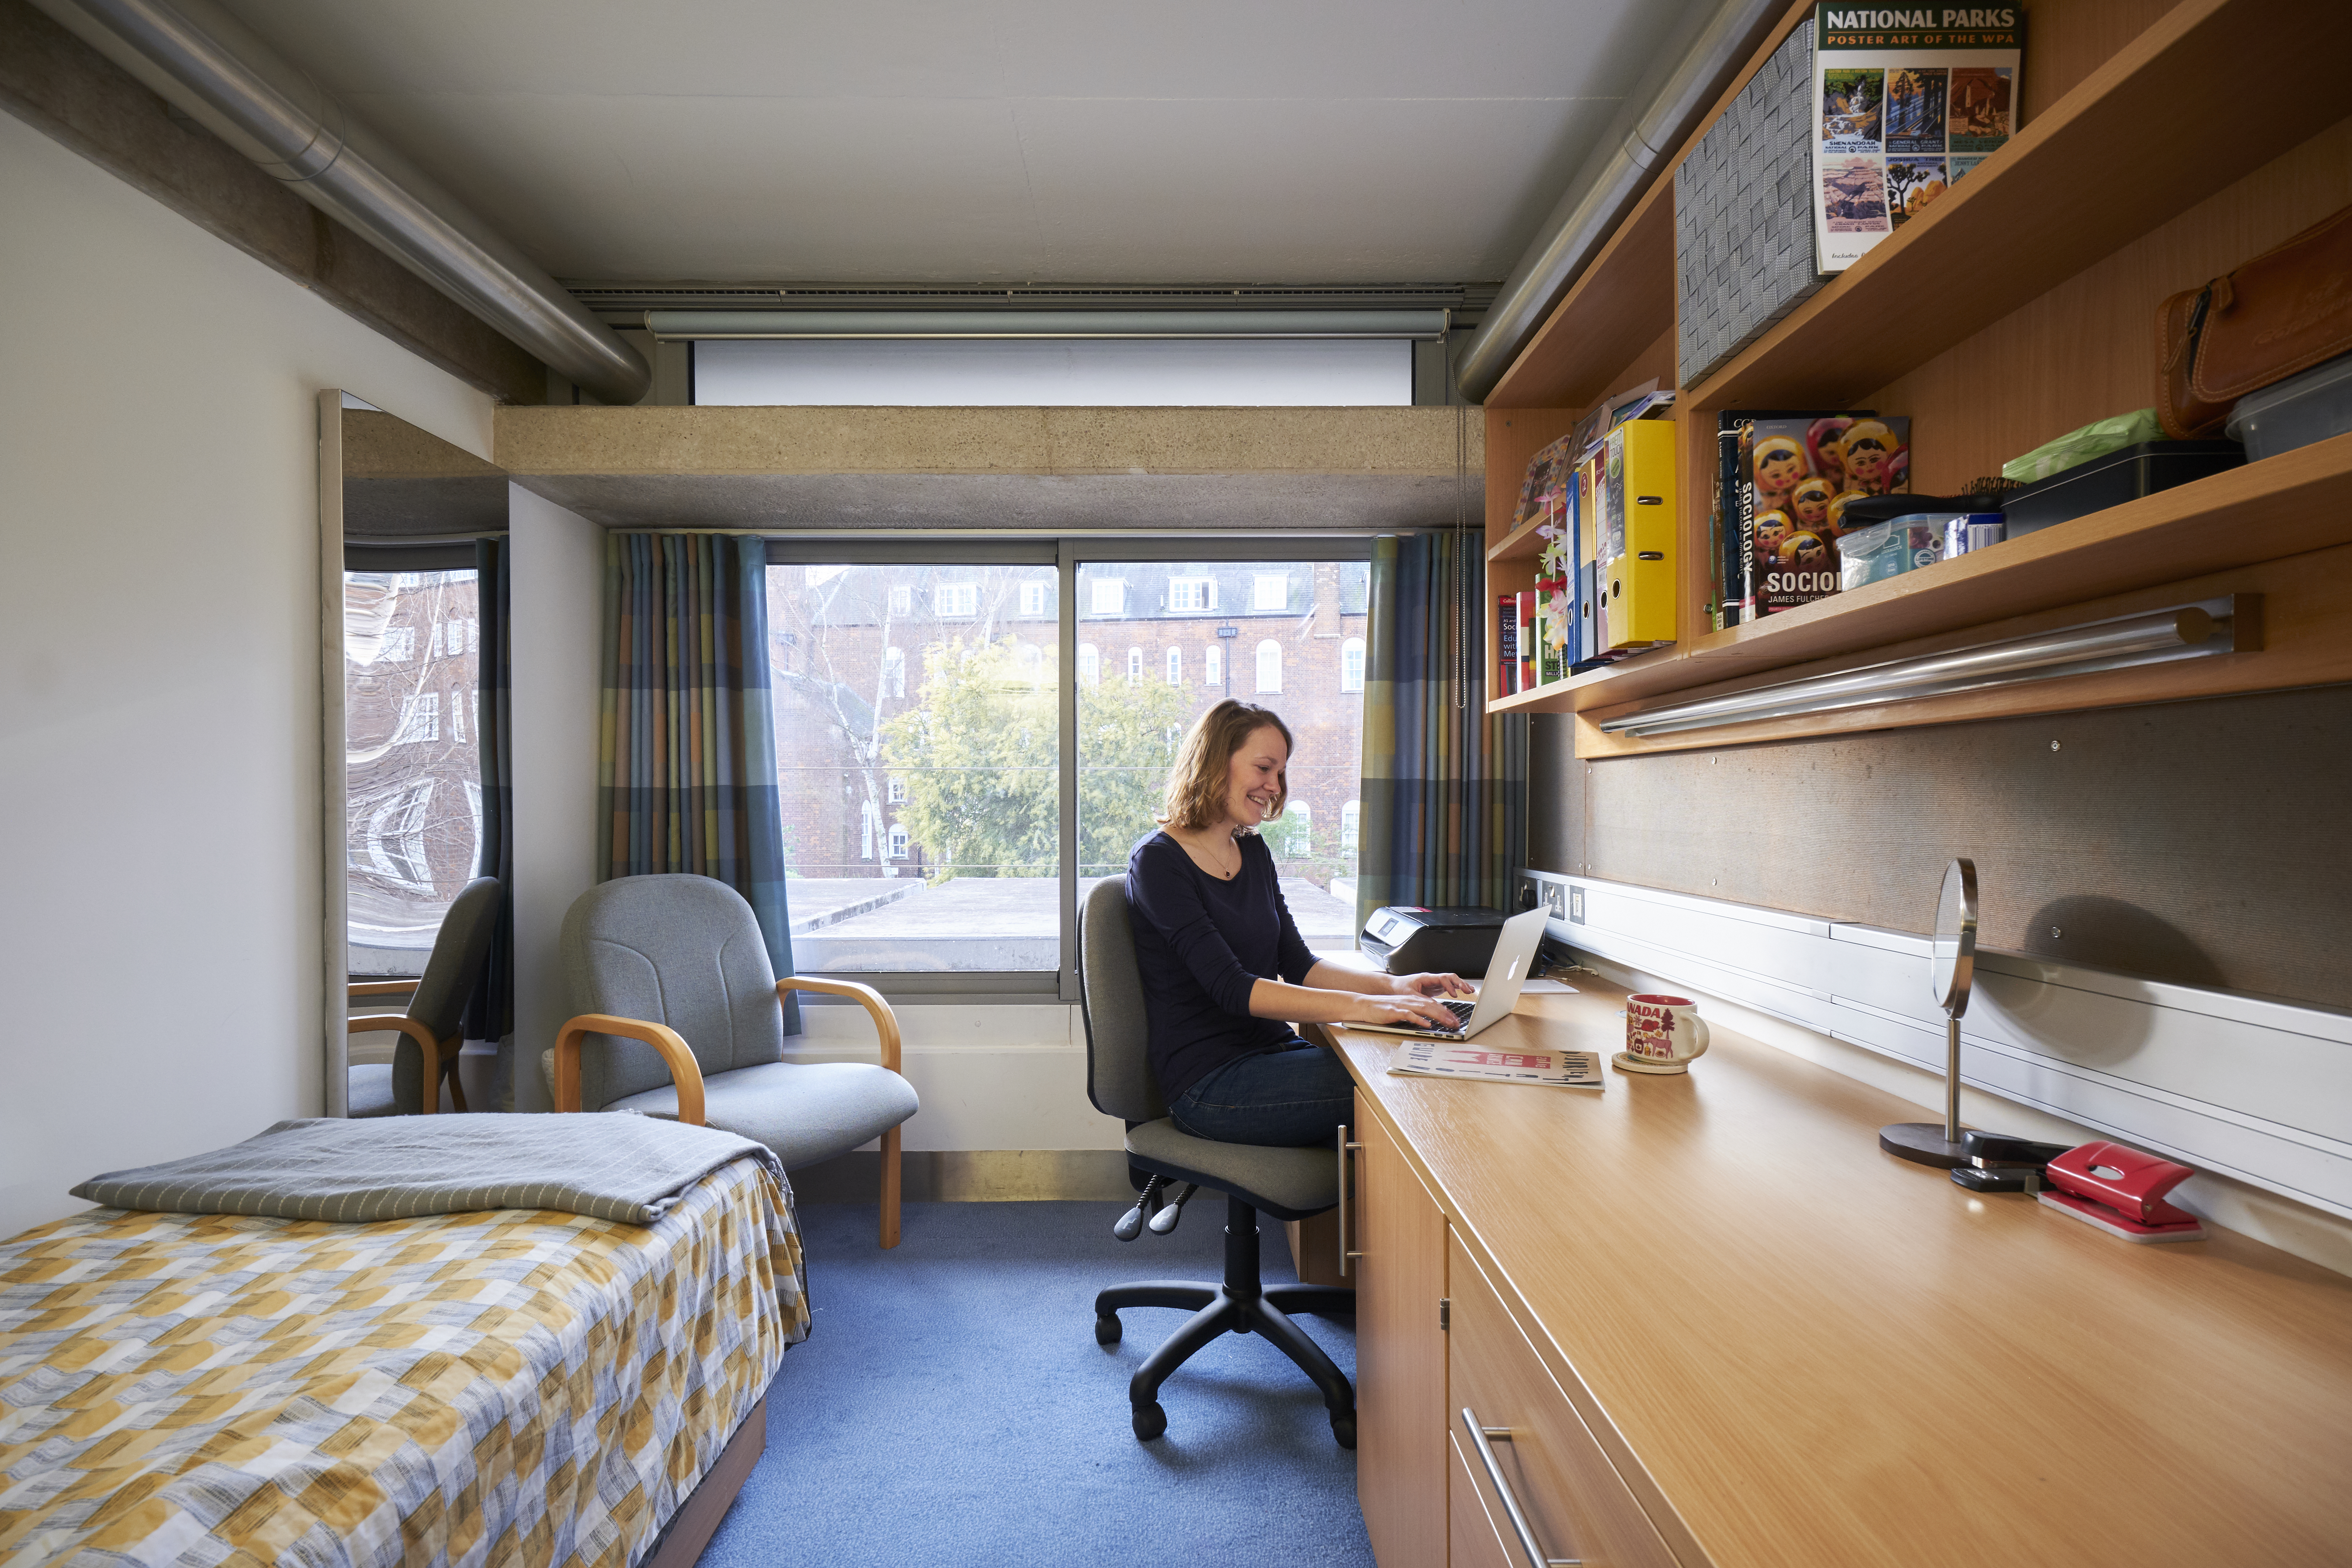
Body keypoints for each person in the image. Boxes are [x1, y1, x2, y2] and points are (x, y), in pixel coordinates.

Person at [1124, 699, 1472, 1148]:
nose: (1274, 786)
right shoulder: (1157, 862)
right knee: (1409, 1077)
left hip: (1272, 1052)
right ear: (1215, 762)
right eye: (1264, 768)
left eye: (1280, 773)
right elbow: (1232, 988)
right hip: (1210, 1082)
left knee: (1412, 1055)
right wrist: (1367, 1008)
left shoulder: (1252, 852)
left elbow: (1297, 963)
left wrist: (1393, 988)